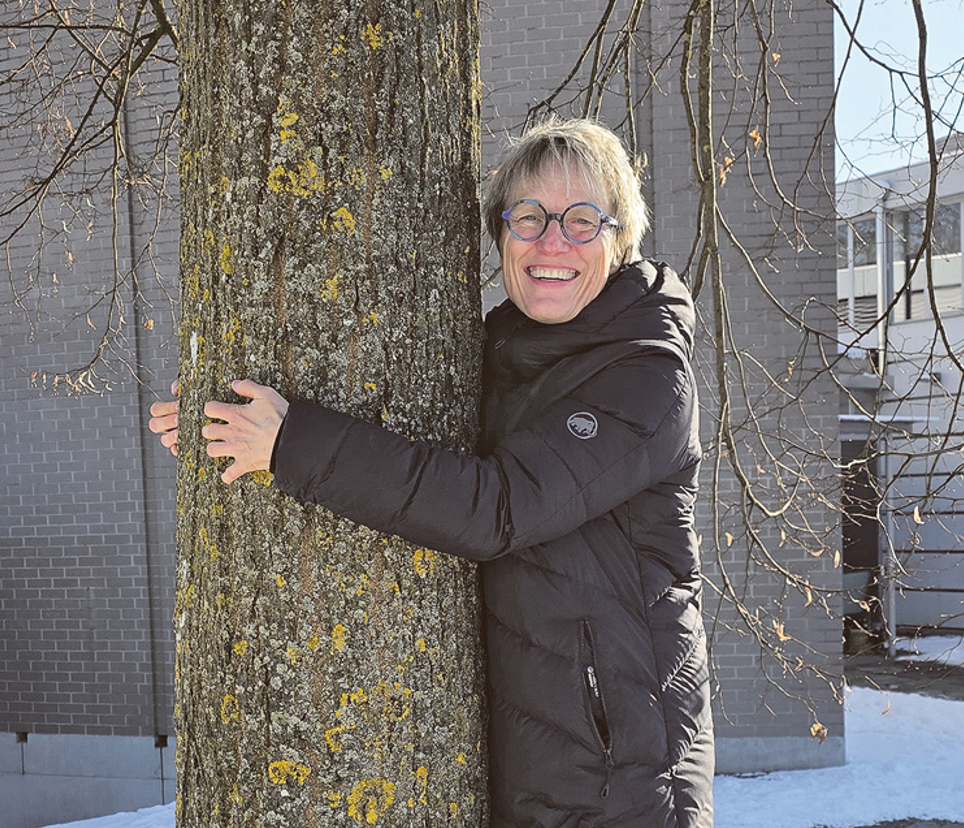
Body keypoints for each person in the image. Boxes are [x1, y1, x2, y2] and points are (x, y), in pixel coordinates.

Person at [150, 116, 714, 828]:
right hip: (545, 764)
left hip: (622, 782)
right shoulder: (507, 355)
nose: (551, 244)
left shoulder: (644, 375)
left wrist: (292, 443)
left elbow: (494, 508)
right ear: (499, 233)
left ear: (620, 237)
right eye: (529, 218)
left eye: (581, 221)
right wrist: (220, 423)